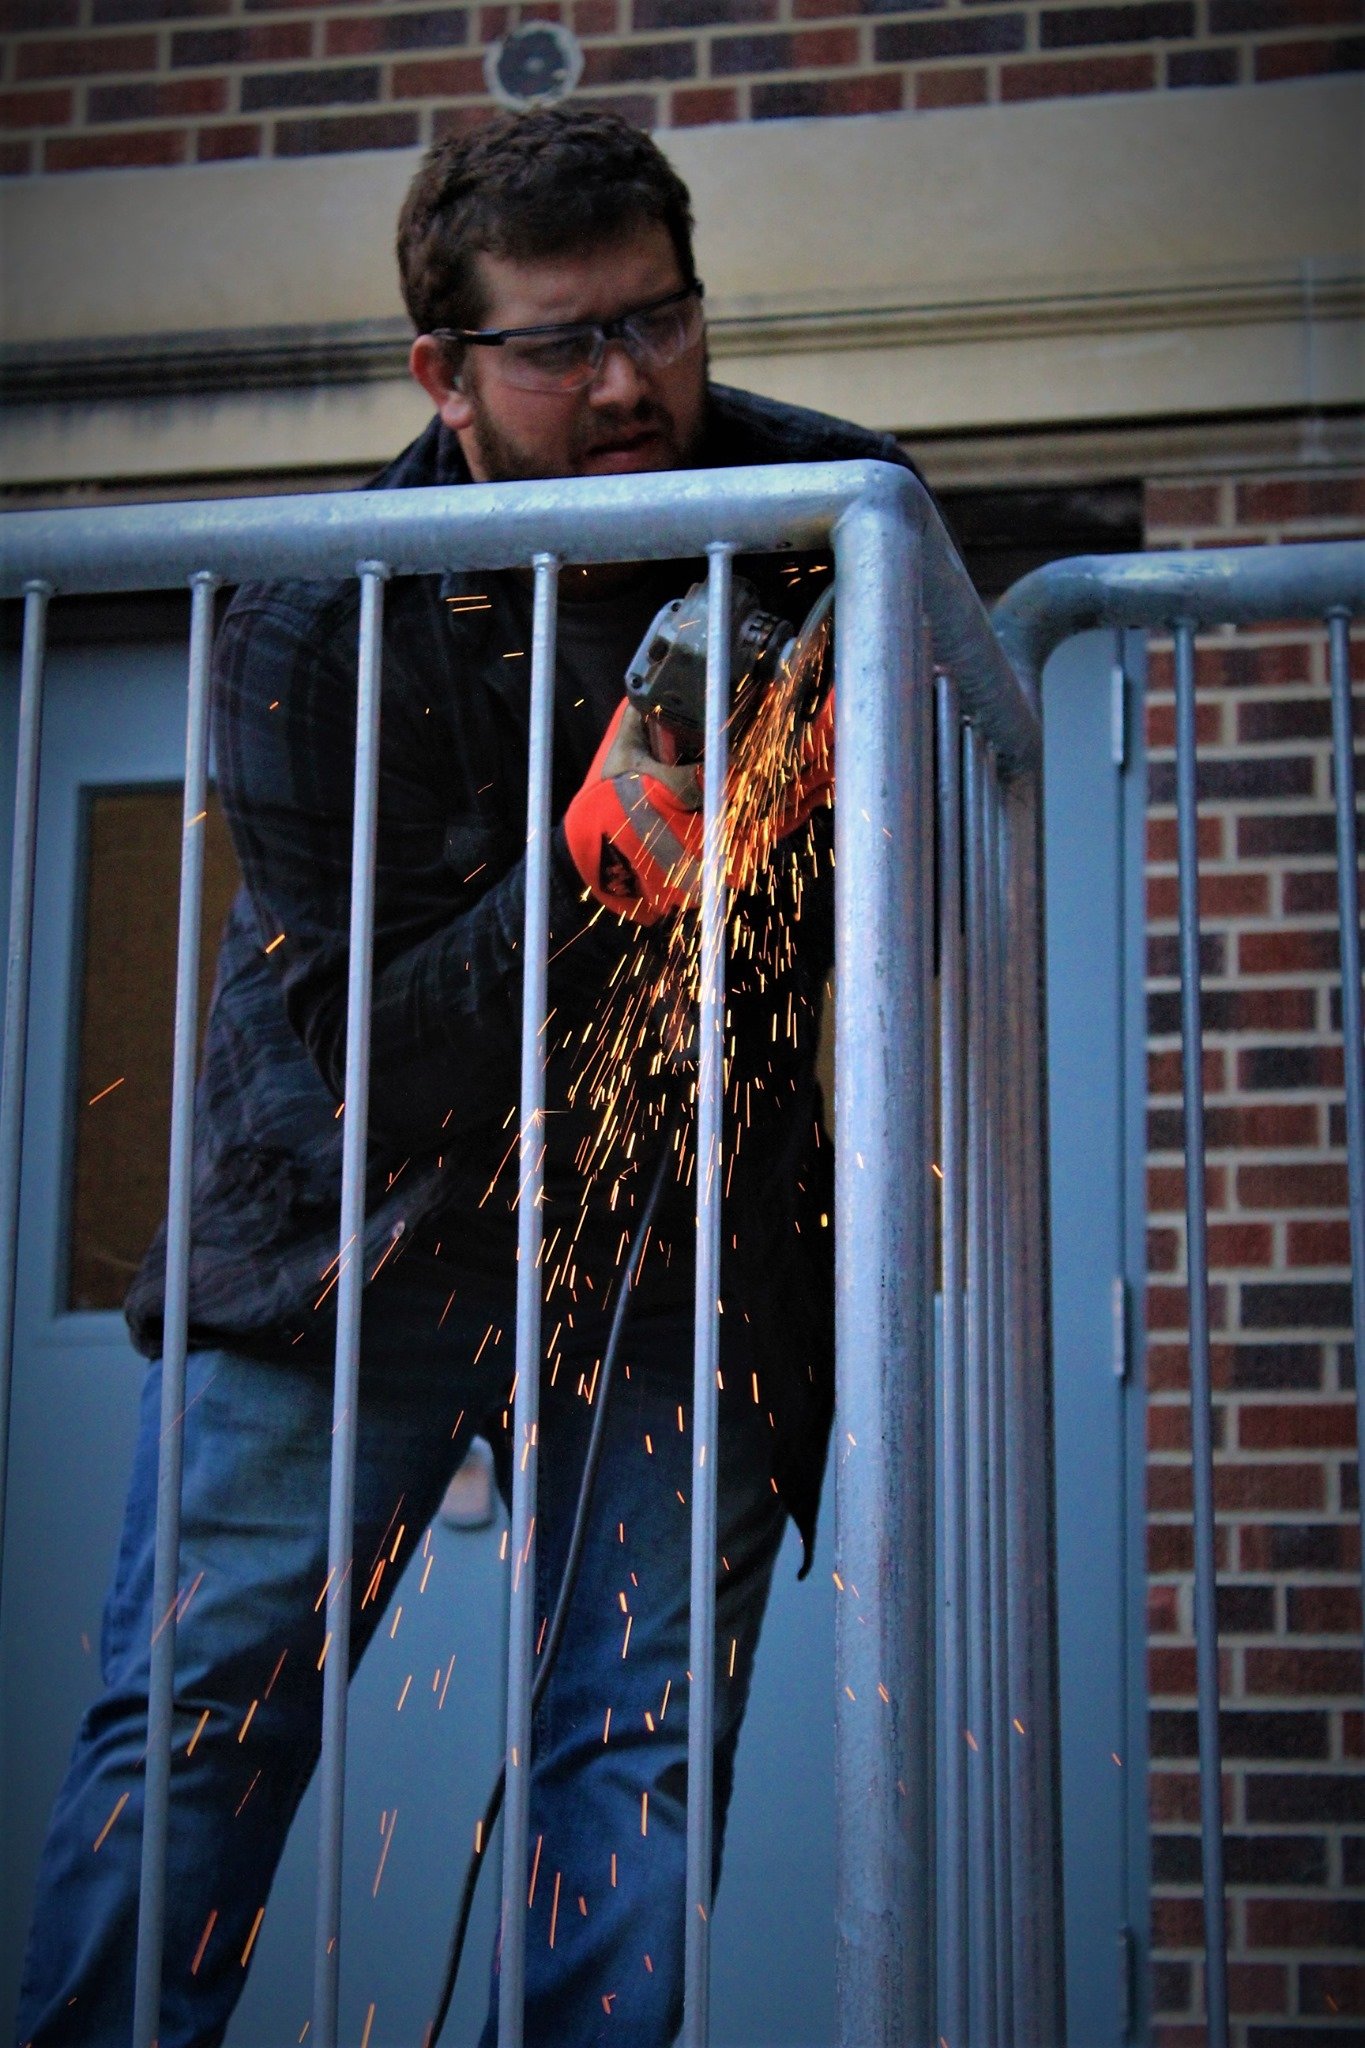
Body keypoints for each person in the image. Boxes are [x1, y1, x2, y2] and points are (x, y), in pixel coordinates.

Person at [15, 107, 921, 2048]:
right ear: (442, 369)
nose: (626, 382)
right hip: (348, 1233)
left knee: (635, 1755)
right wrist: (606, 861)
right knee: (197, 1726)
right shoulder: (315, 612)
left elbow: (909, 884)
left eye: (657, 320)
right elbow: (388, 1053)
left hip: (678, 1234)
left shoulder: (831, 520)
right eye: (559, 343)